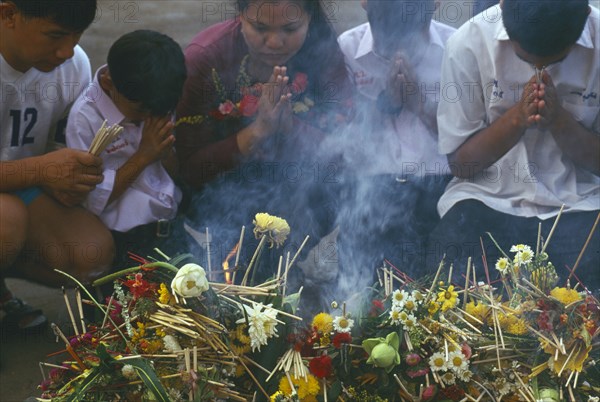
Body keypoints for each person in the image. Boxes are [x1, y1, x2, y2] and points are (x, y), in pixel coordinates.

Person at [175, 0, 353, 290]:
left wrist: (291, 129)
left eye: (290, 28)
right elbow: (186, 168)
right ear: (240, 16)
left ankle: (284, 278)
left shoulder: (322, 53)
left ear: (309, 19)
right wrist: (255, 133)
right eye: (259, 28)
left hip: (301, 192)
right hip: (219, 198)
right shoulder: (206, 58)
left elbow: (343, 150)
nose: (274, 42)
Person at [427, 0, 600, 289]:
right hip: (487, 200)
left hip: (578, 204)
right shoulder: (468, 43)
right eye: (525, 59)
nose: (539, 68)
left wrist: (559, 121)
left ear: (584, 15)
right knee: (449, 276)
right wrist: (517, 119)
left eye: (556, 61)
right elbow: (461, 164)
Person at [0, 0, 114, 331]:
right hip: (9, 206)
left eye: (77, 36)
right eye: (55, 35)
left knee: (90, 254)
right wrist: (41, 171)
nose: (67, 50)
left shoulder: (73, 65)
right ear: (8, 14)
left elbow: (58, 144)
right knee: (6, 223)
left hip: (17, 191)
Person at [333, 0, 455, 287]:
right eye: (389, 44)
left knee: (440, 285)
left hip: (440, 180)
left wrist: (419, 104)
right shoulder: (348, 49)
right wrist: (386, 103)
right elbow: (346, 137)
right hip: (372, 183)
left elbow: (467, 139)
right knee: (366, 286)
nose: (401, 52)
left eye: (412, 42)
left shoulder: (455, 47)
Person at [66, 30, 186, 268]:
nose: (148, 117)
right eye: (141, 111)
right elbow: (91, 200)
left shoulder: (155, 98)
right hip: (120, 241)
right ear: (109, 83)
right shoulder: (85, 118)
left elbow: (175, 173)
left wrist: (163, 152)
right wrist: (143, 156)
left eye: (159, 111)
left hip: (169, 227)